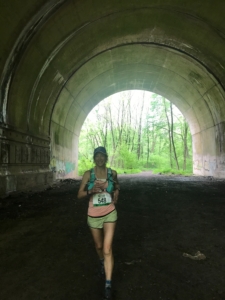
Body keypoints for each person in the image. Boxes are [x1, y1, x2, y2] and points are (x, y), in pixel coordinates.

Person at [77, 146, 120, 299]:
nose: (100, 158)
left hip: (109, 213)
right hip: (94, 215)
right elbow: (79, 194)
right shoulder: (88, 174)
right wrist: (91, 191)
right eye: (97, 156)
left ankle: (108, 283)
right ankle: (102, 261)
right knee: (99, 246)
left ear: (106, 157)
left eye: (102, 156)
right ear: (94, 158)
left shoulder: (112, 173)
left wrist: (116, 192)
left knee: (107, 248)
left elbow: (116, 186)